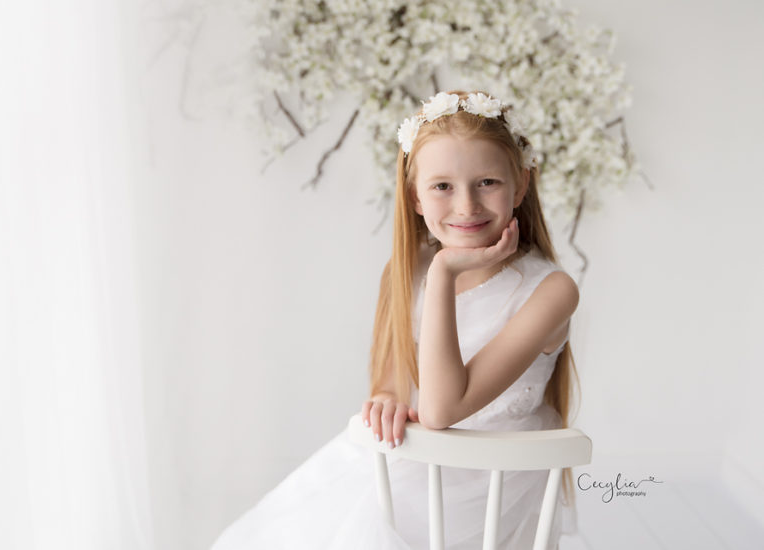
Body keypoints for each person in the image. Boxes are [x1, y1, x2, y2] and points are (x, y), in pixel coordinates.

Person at [211, 90, 581, 549]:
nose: (467, 205)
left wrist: (447, 270)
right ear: (415, 198)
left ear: (521, 185)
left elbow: (442, 410)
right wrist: (385, 398)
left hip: (490, 489)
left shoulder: (551, 291)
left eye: (487, 182)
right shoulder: (406, 271)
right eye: (442, 186)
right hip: (414, 467)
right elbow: (391, 382)